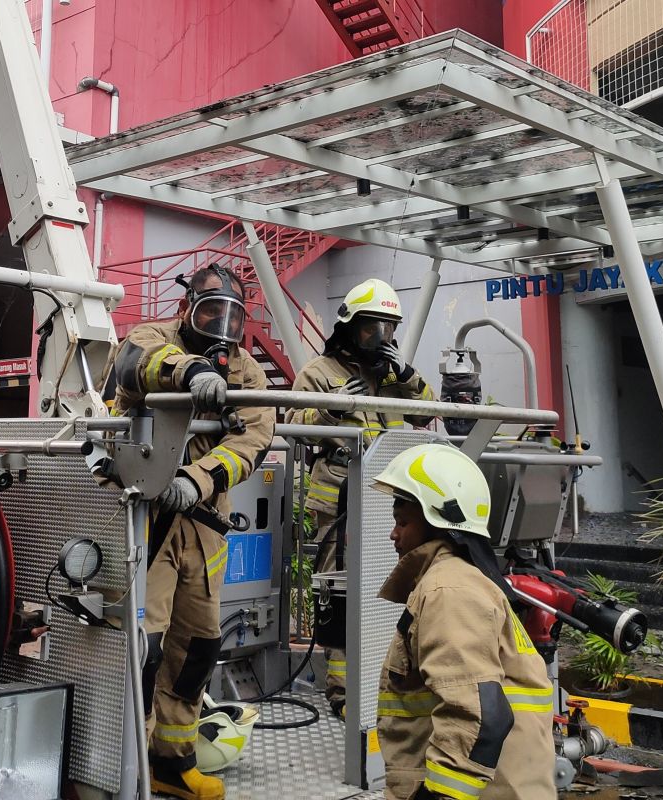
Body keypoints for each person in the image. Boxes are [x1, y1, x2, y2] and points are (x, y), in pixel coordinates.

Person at [105, 266, 274, 800]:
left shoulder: (247, 371)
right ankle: (125, 769)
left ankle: (170, 764)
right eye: (209, 313)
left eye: (231, 318)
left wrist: (197, 481)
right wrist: (190, 372)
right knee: (143, 649)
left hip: (203, 528)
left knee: (196, 649)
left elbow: (252, 441)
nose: (220, 327)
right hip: (146, 522)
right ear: (188, 310)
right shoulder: (153, 337)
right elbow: (133, 366)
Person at [284, 277, 436, 717]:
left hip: (392, 503)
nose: (381, 338)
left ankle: (388, 682)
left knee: (397, 593)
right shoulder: (319, 372)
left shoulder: (391, 376)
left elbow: (432, 412)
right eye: (372, 328)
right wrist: (332, 407)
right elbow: (294, 421)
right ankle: (345, 695)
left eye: (389, 329)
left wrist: (408, 376)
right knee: (345, 595)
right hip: (339, 502)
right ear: (350, 326)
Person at [371, 443, 556, 800]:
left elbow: (480, 714)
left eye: (403, 522)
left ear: (438, 522)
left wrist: (439, 795)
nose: (394, 534)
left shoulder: (449, 589)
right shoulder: (452, 581)